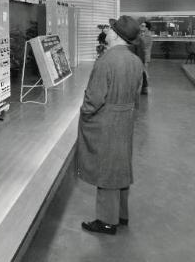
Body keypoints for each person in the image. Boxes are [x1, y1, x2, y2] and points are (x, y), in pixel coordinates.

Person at [77, 15, 144, 235]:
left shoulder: (106, 60)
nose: (106, 31)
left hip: (106, 122)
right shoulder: (135, 61)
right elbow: (136, 92)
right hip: (125, 121)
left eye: (109, 28)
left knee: (106, 170)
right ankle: (121, 215)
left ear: (115, 35)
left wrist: (84, 114)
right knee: (121, 166)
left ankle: (106, 221)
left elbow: (94, 99)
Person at [139, 21, 153, 94]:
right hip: (142, 55)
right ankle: (143, 87)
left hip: (145, 56)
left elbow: (143, 44)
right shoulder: (143, 34)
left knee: (144, 72)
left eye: (143, 26)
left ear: (147, 28)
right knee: (143, 71)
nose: (141, 27)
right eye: (141, 25)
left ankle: (145, 88)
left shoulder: (148, 35)